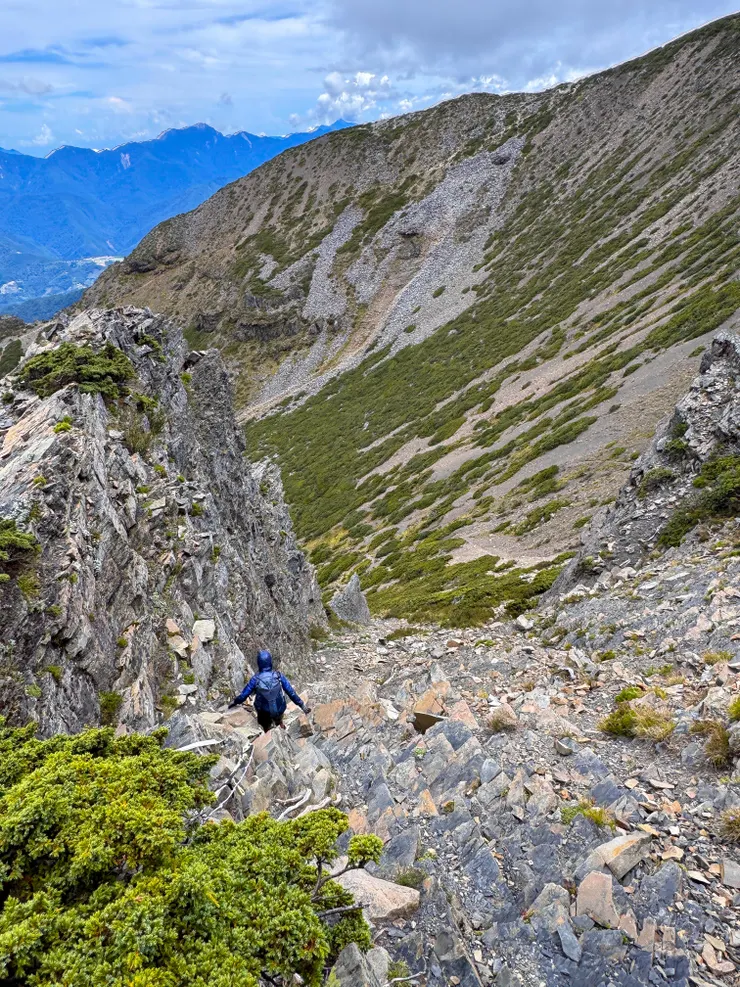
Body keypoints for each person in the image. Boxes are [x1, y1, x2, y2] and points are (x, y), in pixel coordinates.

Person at [228, 649, 311, 732]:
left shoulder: (255, 679)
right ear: (270, 662)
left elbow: (243, 695)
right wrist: (302, 706)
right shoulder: (278, 675)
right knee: (278, 703)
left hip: (264, 712)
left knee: (259, 707)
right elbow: (291, 692)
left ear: (259, 663)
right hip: (280, 709)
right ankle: (280, 723)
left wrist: (235, 702)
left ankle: (267, 729)